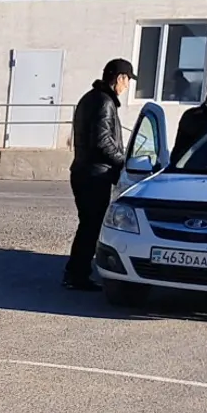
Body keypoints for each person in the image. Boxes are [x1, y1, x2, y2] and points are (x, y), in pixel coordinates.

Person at [64, 57, 135, 290]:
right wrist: (123, 163)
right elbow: (103, 142)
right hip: (95, 175)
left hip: (86, 172)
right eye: (127, 81)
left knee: (88, 225)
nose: (126, 87)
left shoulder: (91, 98)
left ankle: (77, 273)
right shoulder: (104, 102)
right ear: (119, 78)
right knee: (91, 226)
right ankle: (77, 275)